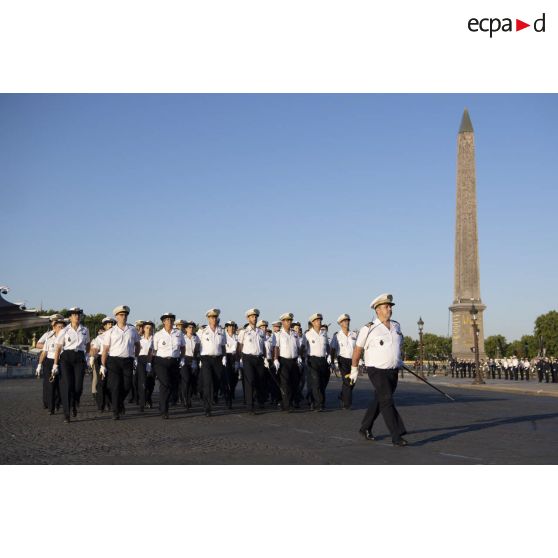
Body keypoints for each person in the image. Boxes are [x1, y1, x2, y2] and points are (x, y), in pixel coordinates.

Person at [350, 293, 408, 447]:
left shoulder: (396, 326)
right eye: (386, 307)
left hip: (392, 370)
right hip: (376, 370)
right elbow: (357, 350)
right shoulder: (368, 328)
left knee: (380, 399)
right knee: (387, 400)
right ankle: (397, 435)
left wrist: (399, 359)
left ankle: (365, 427)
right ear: (377, 310)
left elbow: (398, 346)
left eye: (390, 306)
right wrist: (354, 369)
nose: (389, 309)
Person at [100, 305, 141, 420]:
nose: (124, 317)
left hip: (128, 360)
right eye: (121, 315)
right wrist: (103, 365)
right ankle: (115, 411)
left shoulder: (132, 330)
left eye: (125, 315)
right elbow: (105, 350)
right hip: (114, 361)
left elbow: (138, 345)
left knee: (127, 385)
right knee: (116, 386)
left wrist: (136, 357)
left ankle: (118, 402)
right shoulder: (111, 331)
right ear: (116, 317)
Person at [52, 307, 91, 423]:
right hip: (66, 358)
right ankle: (67, 413)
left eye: (78, 314)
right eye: (74, 314)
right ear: (70, 317)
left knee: (78, 387)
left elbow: (88, 344)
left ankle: (74, 402)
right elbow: (58, 347)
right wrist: (55, 364)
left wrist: (88, 357)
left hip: (79, 358)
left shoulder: (85, 330)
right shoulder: (64, 330)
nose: (77, 316)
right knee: (68, 385)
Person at [153, 312, 185, 419]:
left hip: (174, 362)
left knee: (169, 385)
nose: (169, 322)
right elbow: (155, 350)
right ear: (163, 322)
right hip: (161, 362)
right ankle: (164, 410)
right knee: (165, 383)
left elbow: (183, 347)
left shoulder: (179, 333)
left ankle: (162, 405)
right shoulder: (158, 334)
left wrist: (182, 358)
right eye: (167, 320)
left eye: (171, 320)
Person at [237, 309, 267, 413]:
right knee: (250, 381)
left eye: (255, 316)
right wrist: (240, 359)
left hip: (259, 358)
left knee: (260, 380)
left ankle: (260, 401)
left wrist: (266, 357)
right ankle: (250, 405)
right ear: (248, 318)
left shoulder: (261, 332)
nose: (254, 318)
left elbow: (263, 346)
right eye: (252, 316)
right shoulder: (244, 332)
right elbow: (240, 346)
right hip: (248, 358)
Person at [198, 308, 227, 417]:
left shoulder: (221, 331)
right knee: (208, 383)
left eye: (215, 317)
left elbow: (223, 346)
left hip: (218, 359)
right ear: (208, 319)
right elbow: (197, 346)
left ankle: (212, 396)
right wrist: (198, 359)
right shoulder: (202, 331)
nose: (214, 319)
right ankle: (207, 408)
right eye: (211, 317)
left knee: (216, 382)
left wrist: (224, 357)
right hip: (206, 359)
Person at [273, 312, 302, 412]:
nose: (289, 322)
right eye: (287, 320)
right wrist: (276, 359)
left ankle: (292, 401)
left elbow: (298, 347)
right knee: (285, 383)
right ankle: (286, 404)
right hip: (283, 360)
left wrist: (299, 356)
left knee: (294, 382)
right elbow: (276, 347)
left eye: (290, 320)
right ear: (283, 321)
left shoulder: (294, 334)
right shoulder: (279, 334)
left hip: (293, 360)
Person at [302, 313, 331, 411]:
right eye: (317, 320)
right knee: (316, 382)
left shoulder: (324, 333)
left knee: (322, 383)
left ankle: (315, 401)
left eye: (320, 320)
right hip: (312, 360)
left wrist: (329, 355)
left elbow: (327, 346)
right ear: (313, 322)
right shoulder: (308, 334)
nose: (319, 322)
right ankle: (319, 404)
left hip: (323, 360)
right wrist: (303, 357)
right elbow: (303, 347)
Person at [37, 317, 66, 414]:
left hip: (62, 361)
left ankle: (58, 403)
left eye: (63, 327)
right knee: (50, 385)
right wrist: (39, 364)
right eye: (59, 326)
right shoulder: (49, 338)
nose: (61, 328)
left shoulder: (66, 338)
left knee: (60, 384)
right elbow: (44, 352)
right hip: (49, 362)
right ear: (55, 327)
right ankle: (51, 407)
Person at [330, 313, 357, 410]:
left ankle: (342, 395)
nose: (347, 322)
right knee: (347, 381)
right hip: (342, 360)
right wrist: (332, 362)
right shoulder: (337, 336)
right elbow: (332, 349)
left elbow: (357, 348)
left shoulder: (354, 334)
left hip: (353, 360)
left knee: (352, 381)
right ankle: (347, 404)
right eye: (345, 321)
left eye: (348, 320)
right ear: (340, 323)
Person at [182, 321, 201, 409]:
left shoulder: (197, 338)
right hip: (185, 360)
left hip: (194, 360)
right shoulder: (182, 337)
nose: (191, 329)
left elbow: (198, 350)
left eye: (192, 327)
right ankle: (185, 399)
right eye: (189, 327)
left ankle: (189, 398)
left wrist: (196, 360)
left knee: (193, 381)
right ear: (185, 329)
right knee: (186, 380)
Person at [136, 320, 154, 412]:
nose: (149, 329)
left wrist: (150, 362)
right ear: (143, 328)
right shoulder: (139, 338)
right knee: (143, 382)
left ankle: (148, 398)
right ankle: (142, 403)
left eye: (150, 328)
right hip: (141, 360)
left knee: (151, 383)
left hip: (152, 360)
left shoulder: (155, 338)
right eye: (147, 328)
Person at [224, 320, 239, 408]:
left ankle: (232, 391)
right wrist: (223, 357)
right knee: (227, 379)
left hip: (235, 357)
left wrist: (237, 361)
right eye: (229, 326)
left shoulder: (237, 337)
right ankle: (228, 399)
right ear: (227, 327)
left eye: (233, 326)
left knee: (235, 378)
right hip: (226, 357)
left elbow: (238, 350)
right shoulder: (224, 336)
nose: (231, 328)